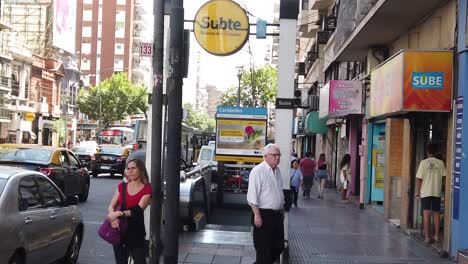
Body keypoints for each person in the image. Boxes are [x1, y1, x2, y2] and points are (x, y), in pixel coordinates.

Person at [107, 158, 152, 264]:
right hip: (119, 229)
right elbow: (111, 206)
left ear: (140, 170)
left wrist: (119, 214)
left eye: (133, 168)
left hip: (136, 232)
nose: (130, 171)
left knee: (140, 261)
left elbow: (138, 210)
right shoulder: (122, 186)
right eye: (128, 169)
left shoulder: (147, 189)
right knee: (120, 261)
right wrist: (113, 218)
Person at [247, 143, 284, 264]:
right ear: (266, 156)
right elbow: (252, 196)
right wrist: (257, 215)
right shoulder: (258, 171)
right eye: (274, 155)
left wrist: (281, 210)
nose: (277, 158)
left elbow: (278, 191)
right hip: (263, 215)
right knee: (264, 249)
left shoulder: (277, 171)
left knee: (278, 246)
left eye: (279, 155)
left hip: (277, 215)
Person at [415, 143, 446, 244]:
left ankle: (427, 237)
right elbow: (444, 177)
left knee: (426, 214)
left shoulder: (423, 163)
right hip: (436, 191)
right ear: (436, 151)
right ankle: (436, 236)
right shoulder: (441, 163)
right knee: (436, 213)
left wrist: (418, 192)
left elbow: (419, 180)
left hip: (425, 192)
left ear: (427, 151)